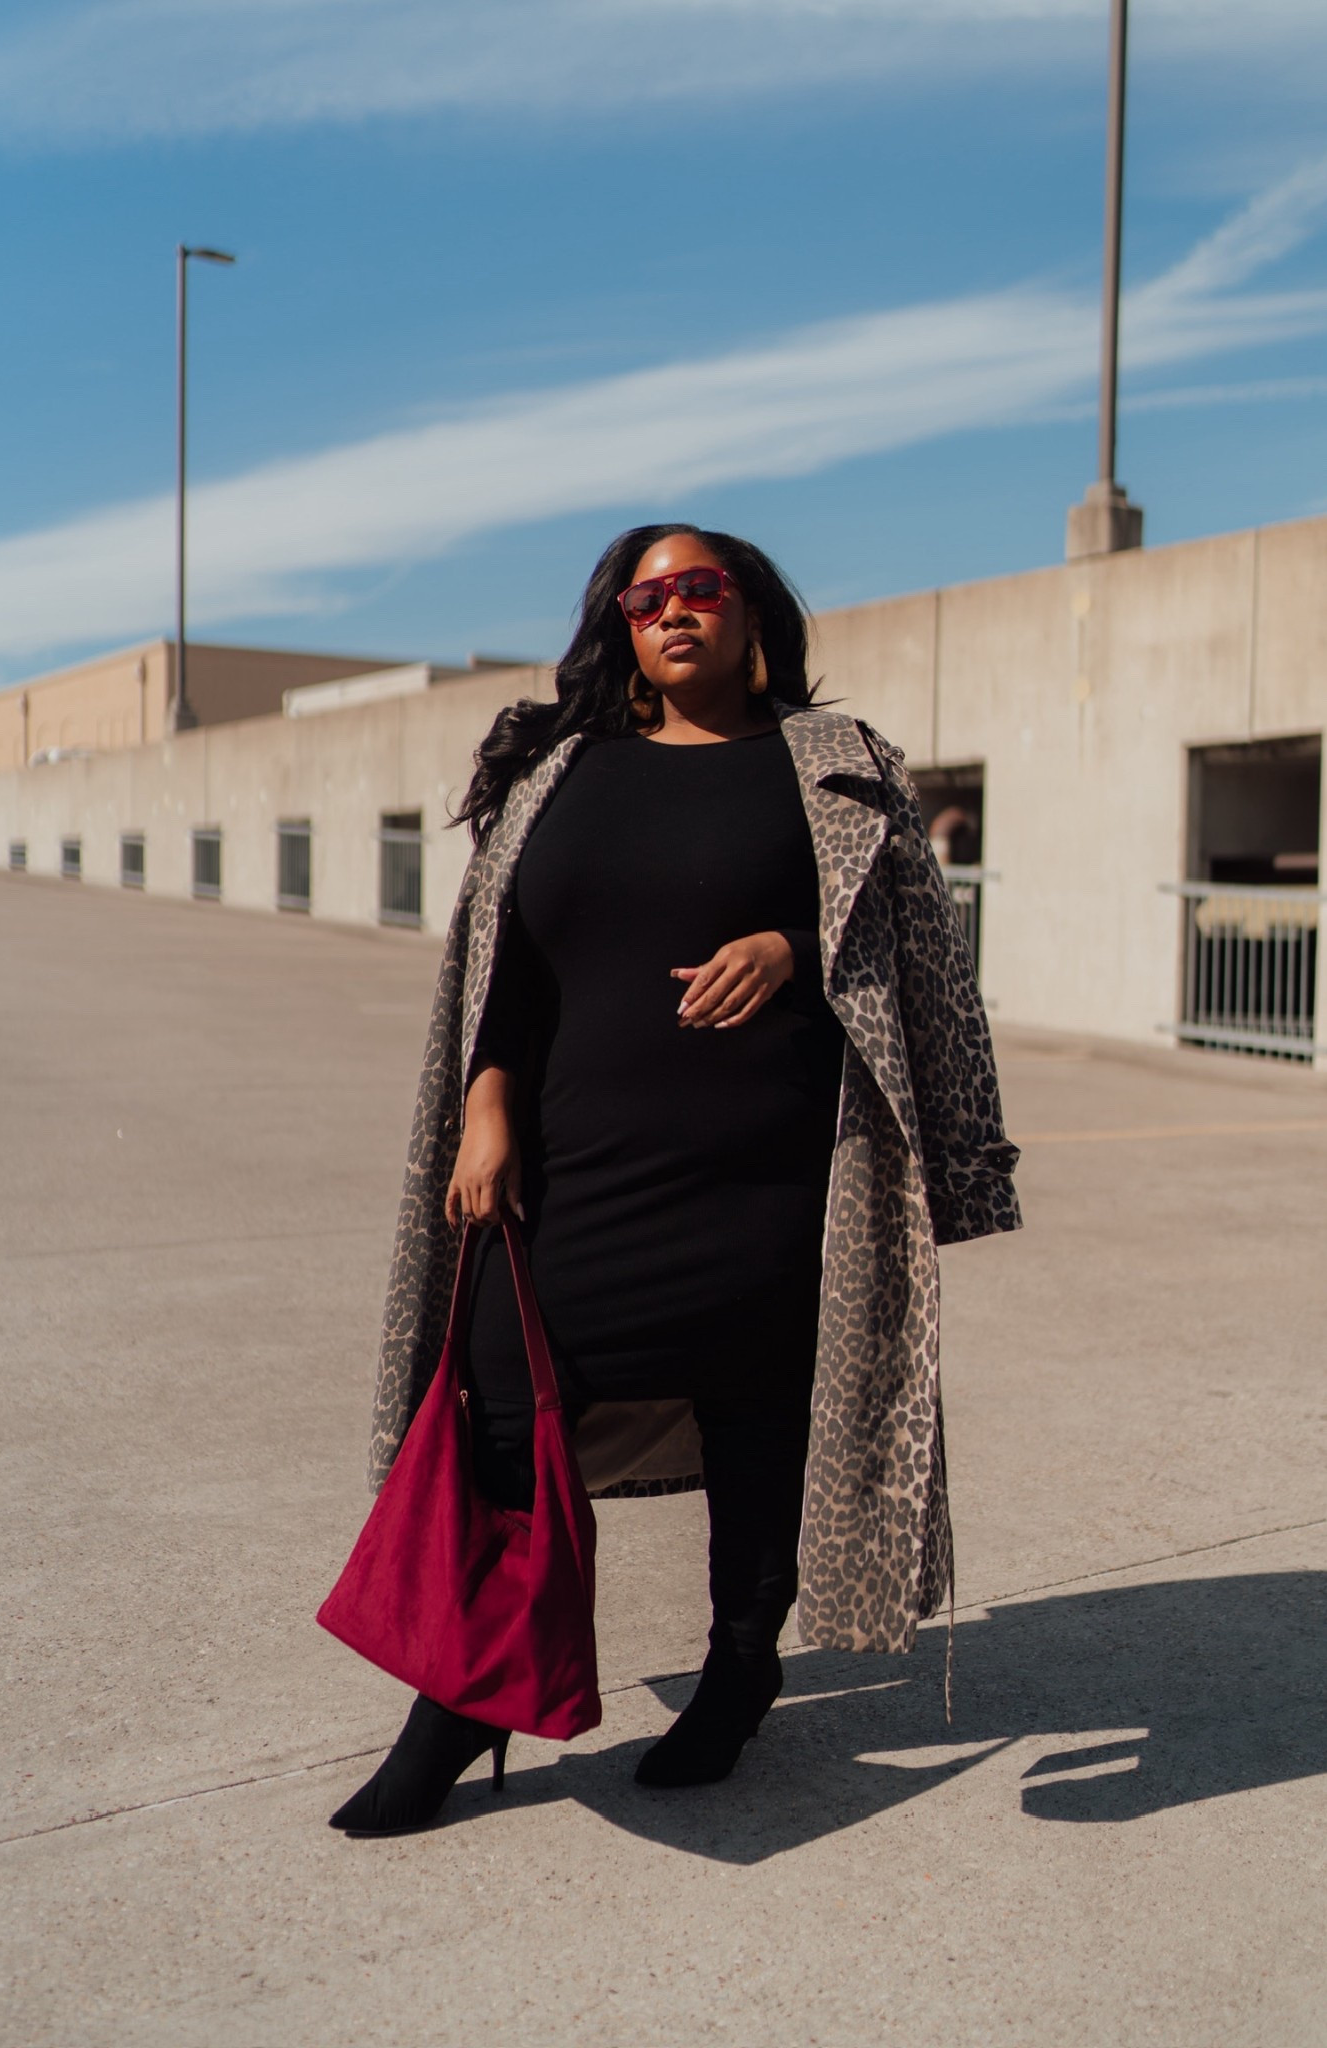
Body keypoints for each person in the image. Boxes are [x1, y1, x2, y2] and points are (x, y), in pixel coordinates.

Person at [330, 525, 1020, 1838]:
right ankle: (466, 1695)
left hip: (769, 1174)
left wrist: (790, 947)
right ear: (621, 628)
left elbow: (911, 940)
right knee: (498, 1409)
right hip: (576, 1165)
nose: (673, 611)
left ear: (753, 614)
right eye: (645, 599)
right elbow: (506, 970)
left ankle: (741, 1665)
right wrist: (486, 1105)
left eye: (701, 588)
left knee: (756, 1416)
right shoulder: (558, 770)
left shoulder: (835, 764)